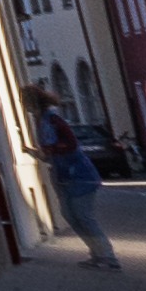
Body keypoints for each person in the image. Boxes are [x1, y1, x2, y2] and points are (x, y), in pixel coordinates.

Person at [33, 85, 122, 270]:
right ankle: (97, 254)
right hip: (64, 175)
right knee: (71, 216)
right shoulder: (45, 121)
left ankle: (108, 257)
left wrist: (50, 150)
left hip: (78, 174)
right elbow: (51, 153)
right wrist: (37, 153)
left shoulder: (52, 120)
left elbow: (70, 145)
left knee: (84, 216)